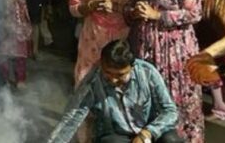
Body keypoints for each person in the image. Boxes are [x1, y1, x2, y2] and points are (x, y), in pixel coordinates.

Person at [129, 0, 204, 142]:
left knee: (177, 96)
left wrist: (158, 15)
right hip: (148, 49)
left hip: (176, 51)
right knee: (152, 97)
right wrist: (134, 12)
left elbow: (194, 12)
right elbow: (129, 5)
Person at [47, 38, 184, 142]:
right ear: (101, 64)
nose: (112, 80)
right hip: (115, 135)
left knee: (171, 139)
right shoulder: (92, 81)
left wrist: (147, 133)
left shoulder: (148, 73)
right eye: (108, 73)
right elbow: (72, 117)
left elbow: (170, 112)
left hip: (148, 131)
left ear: (132, 66)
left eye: (119, 75)